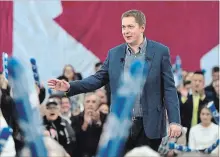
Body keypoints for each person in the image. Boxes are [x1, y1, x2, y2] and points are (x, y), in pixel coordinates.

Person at [48, 9, 181, 152]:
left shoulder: (160, 51)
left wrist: (174, 121)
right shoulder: (114, 53)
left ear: (142, 27)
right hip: (121, 127)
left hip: (150, 126)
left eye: (130, 27)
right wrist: (70, 86)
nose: (126, 31)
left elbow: (169, 89)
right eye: (123, 27)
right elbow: (98, 79)